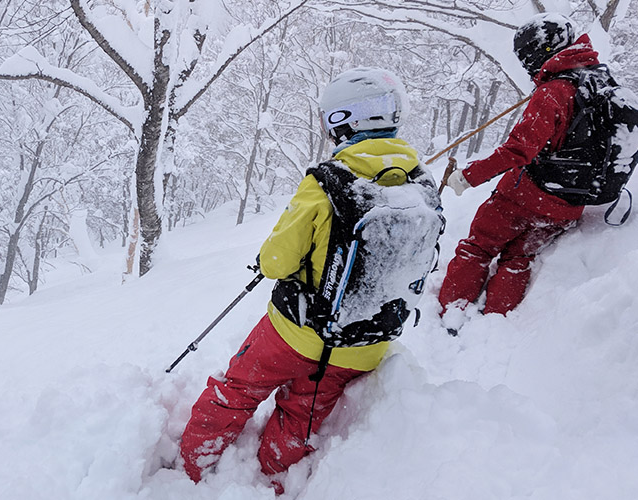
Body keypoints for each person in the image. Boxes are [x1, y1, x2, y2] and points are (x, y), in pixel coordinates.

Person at [178, 68, 437, 493]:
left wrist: (266, 259)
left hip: (296, 333)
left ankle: (192, 471)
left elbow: (278, 261)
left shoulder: (326, 182)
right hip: (364, 343)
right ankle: (273, 481)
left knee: (237, 389)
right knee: (304, 411)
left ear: (341, 121)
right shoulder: (422, 185)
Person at [438, 13, 600, 319]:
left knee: (478, 246)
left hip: (526, 196)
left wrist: (468, 177)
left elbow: (518, 151)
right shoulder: (598, 84)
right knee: (519, 255)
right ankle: (496, 319)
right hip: (572, 203)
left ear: (539, 51)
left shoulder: (554, 91)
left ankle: (453, 311)